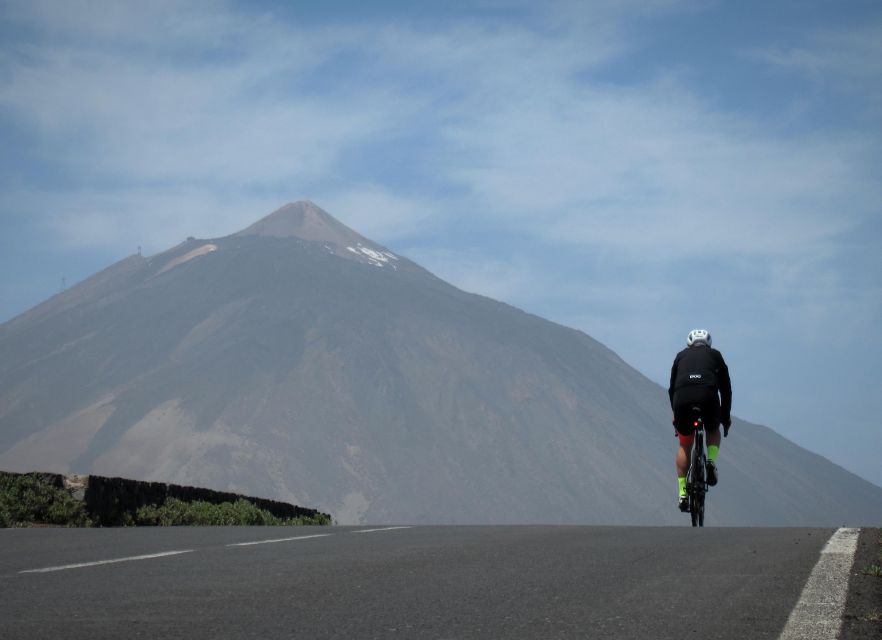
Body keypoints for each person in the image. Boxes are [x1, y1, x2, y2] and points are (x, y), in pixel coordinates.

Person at [669, 329, 732, 512]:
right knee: (712, 429)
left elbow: (672, 389)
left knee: (685, 444)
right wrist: (725, 417)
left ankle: (682, 493)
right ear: (708, 344)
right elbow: (726, 390)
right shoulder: (715, 355)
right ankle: (711, 462)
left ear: (689, 344)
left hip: (682, 400)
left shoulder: (680, 356)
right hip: (707, 398)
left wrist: (676, 415)